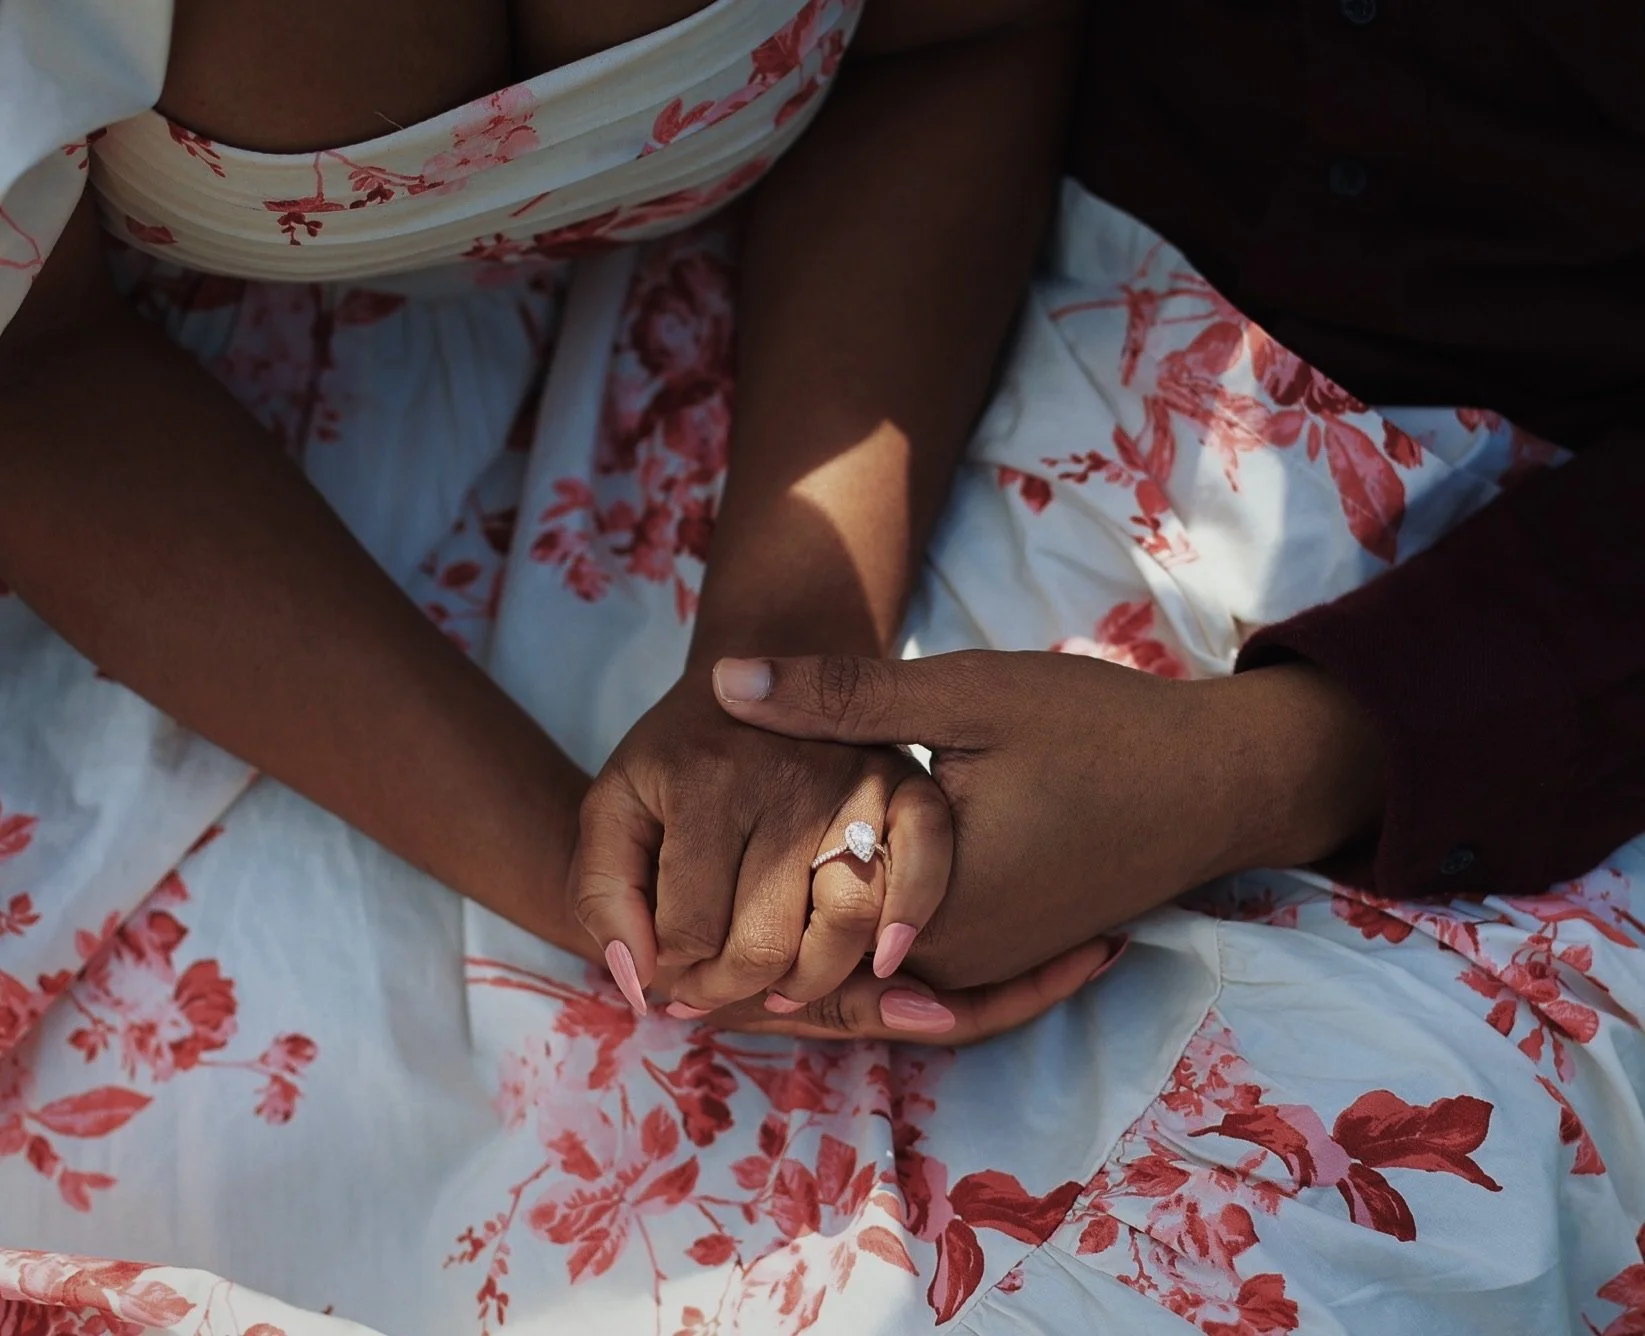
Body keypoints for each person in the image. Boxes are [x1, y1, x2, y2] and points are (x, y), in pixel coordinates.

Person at [0, 8, 1640, 1336]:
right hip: (252, 533)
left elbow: (954, 39)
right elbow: (40, 383)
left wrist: (1256, 762)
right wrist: (646, 898)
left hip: (923, 422)